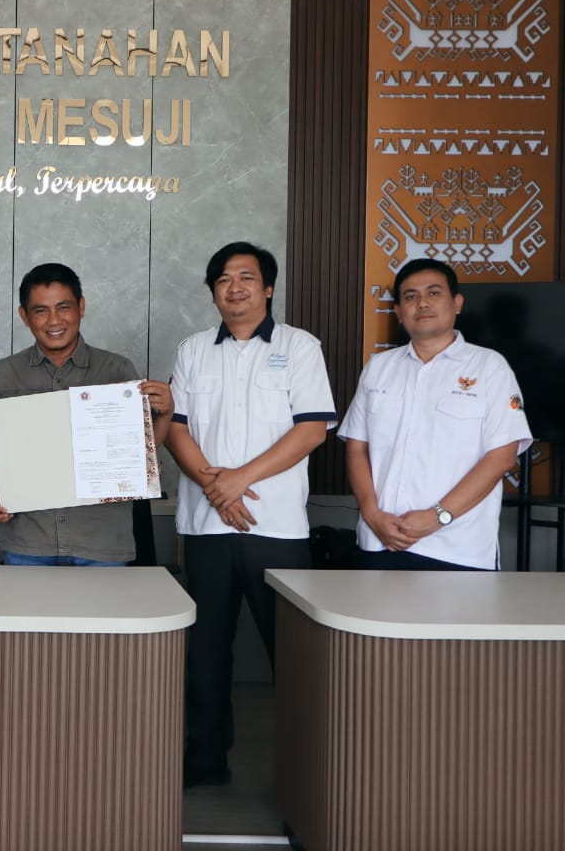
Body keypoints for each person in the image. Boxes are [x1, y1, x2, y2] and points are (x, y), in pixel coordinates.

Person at [165, 241, 337, 788]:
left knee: (292, 652)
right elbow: (175, 430)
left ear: (267, 288)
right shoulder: (193, 349)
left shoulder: (300, 347)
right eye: (223, 279)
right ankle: (205, 759)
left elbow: (311, 430)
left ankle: (305, 770)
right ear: (213, 292)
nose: (234, 287)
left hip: (277, 528)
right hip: (206, 527)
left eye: (245, 277)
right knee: (205, 652)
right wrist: (216, 489)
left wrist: (238, 480)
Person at [339, 257, 532, 570]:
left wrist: (437, 517)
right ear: (398, 311)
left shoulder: (489, 367)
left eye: (434, 293)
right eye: (410, 296)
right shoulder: (379, 368)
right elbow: (357, 447)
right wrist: (372, 515)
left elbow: (502, 456)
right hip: (379, 540)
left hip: (457, 548)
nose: (422, 303)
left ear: (457, 303)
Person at [0, 263, 172, 565]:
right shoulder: (5, 373)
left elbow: (137, 457)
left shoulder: (116, 370)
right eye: (40, 310)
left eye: (63, 307)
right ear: (24, 316)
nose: (54, 320)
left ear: (81, 307)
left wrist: (166, 414)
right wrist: (7, 490)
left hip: (101, 540)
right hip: (29, 540)